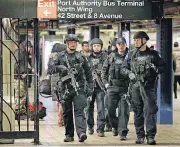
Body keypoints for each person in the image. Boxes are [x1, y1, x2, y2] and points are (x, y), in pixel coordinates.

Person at [121, 31, 165, 145]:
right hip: (135, 87)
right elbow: (123, 68)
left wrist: (155, 69)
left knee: (150, 111)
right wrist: (129, 73)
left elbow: (163, 66)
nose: (135, 42)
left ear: (144, 40)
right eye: (135, 40)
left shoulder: (153, 54)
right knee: (138, 111)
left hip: (149, 87)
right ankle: (140, 135)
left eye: (138, 40)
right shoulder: (131, 54)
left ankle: (150, 136)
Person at [49, 34, 93, 142]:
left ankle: (81, 132)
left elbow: (88, 72)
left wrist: (90, 86)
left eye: (75, 42)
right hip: (65, 89)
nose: (73, 44)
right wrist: (60, 67)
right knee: (67, 112)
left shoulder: (81, 56)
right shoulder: (59, 56)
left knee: (79, 110)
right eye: (71, 42)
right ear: (67, 43)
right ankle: (69, 135)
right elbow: (50, 68)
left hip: (79, 88)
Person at [101, 37, 130, 140]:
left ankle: (123, 132)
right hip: (112, 88)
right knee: (109, 110)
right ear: (116, 45)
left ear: (126, 45)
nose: (121, 46)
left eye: (123, 44)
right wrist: (106, 84)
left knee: (124, 111)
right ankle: (116, 126)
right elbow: (104, 71)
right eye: (119, 44)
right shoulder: (111, 56)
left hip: (125, 88)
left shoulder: (130, 56)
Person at [86, 38, 107, 137]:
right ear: (92, 47)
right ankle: (90, 126)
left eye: (98, 46)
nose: (97, 48)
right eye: (95, 46)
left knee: (101, 108)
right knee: (88, 108)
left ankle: (100, 128)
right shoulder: (87, 58)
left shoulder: (105, 57)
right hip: (89, 87)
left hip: (100, 87)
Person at [47, 43, 67, 127]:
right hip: (60, 79)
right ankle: (60, 119)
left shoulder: (50, 58)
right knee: (63, 100)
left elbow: (49, 71)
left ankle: (60, 119)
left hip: (53, 80)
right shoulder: (60, 57)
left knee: (59, 101)